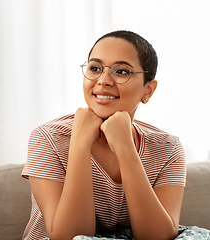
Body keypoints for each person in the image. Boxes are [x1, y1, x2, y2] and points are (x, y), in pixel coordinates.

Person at [21, 30, 187, 240]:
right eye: (95, 68)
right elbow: (68, 236)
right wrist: (80, 145)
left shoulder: (167, 148)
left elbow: (159, 237)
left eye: (122, 71)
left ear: (148, 90)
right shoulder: (47, 138)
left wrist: (126, 148)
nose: (103, 80)